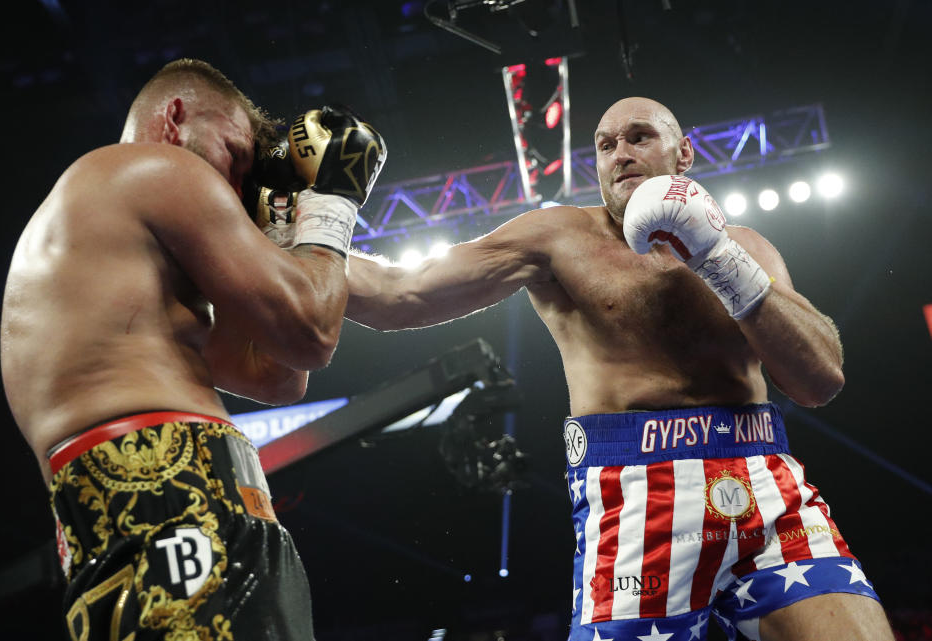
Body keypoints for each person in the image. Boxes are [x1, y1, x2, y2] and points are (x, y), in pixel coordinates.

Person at [343, 97, 892, 641]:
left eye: (639, 137)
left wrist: (718, 257)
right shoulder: (559, 237)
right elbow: (401, 295)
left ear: (684, 155)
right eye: (606, 146)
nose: (620, 154)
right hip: (638, 498)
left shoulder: (746, 246)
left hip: (764, 482)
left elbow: (821, 380)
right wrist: (305, 232)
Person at [0, 58, 384, 640]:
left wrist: (279, 223)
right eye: (233, 156)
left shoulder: (111, 257)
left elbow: (280, 376)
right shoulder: (154, 168)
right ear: (174, 118)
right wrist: (333, 200)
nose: (231, 189)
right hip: (175, 490)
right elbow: (311, 328)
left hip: (106, 516)